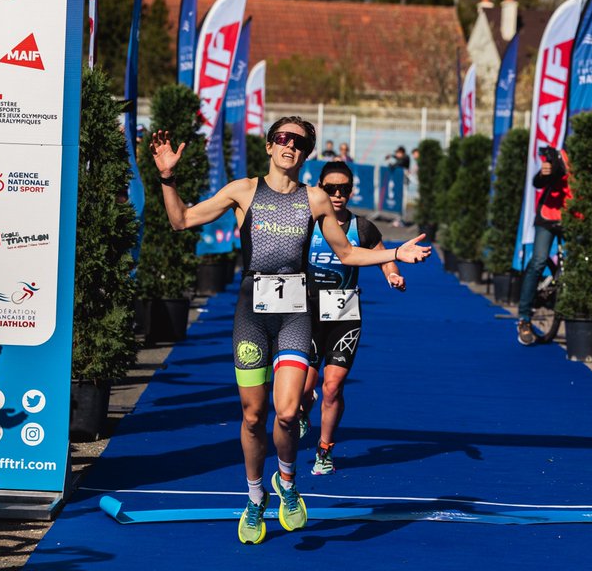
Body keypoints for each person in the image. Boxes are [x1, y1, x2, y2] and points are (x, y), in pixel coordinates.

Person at [149, 116, 430, 545]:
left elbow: (347, 253)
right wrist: (167, 177)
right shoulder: (242, 191)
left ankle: (287, 480)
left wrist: (394, 252)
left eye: (299, 142)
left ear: (306, 152)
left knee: (286, 412)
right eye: (283, 138)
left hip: (296, 313)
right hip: (251, 313)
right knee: (252, 415)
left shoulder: (315, 199)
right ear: (269, 145)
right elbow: (182, 220)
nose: (290, 146)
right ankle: (254, 496)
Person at [299, 161, 406, 476]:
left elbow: (384, 256)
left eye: (343, 189)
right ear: (319, 188)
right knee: (305, 388)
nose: (336, 194)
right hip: (305, 311)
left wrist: (393, 274)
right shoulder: (307, 222)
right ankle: (306, 406)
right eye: (330, 188)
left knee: (333, 386)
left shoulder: (363, 228)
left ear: (350, 191)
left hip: (344, 311)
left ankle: (325, 449)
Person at [515, 144, 571, 346]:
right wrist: (546, 172)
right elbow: (541, 179)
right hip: (549, 216)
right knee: (538, 260)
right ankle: (524, 319)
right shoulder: (559, 156)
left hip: (575, 217)